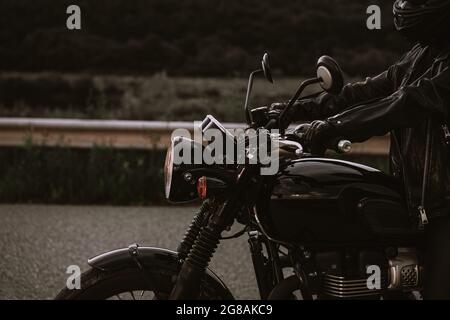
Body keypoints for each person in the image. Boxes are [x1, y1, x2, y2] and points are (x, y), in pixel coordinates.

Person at [270, 0, 450, 299]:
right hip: (418, 200)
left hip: (445, 205)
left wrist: (333, 127)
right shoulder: (424, 53)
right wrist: (292, 110)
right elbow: (369, 90)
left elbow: (407, 103)